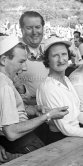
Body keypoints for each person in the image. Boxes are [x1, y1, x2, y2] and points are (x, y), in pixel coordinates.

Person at [0, 35, 68, 162]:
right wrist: (48, 115)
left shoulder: (6, 81)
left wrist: (32, 109)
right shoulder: (4, 86)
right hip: (21, 144)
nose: (24, 68)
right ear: (4, 60)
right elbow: (11, 133)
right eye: (21, 62)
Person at [36, 36, 83, 145]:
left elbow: (76, 114)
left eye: (64, 54)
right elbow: (65, 128)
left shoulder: (66, 79)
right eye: (55, 56)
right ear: (47, 59)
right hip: (60, 141)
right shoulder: (49, 88)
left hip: (75, 134)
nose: (61, 60)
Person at [14, 11, 49, 106]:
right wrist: (22, 90)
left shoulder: (49, 47)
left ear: (43, 28)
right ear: (21, 29)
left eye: (38, 27)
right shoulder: (14, 50)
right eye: (29, 28)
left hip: (52, 106)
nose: (34, 32)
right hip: (27, 111)